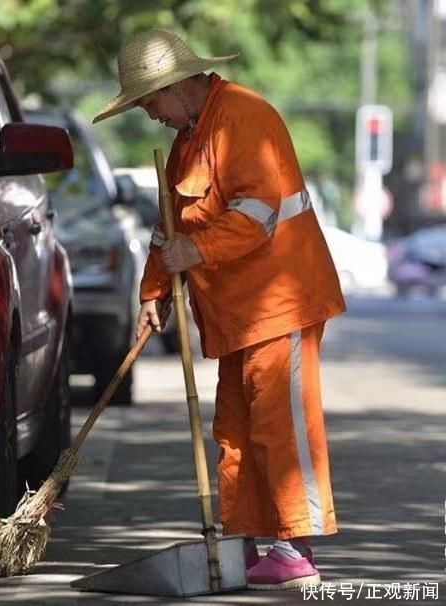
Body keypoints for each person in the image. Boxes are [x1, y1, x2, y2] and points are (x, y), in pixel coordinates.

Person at [92, 28, 346, 590]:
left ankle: (294, 540)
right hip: (235, 312)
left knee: (279, 424)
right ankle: (248, 538)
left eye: (149, 100)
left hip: (281, 299)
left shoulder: (242, 117)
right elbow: (170, 228)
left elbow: (258, 211)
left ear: (179, 86)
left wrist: (198, 249)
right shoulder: (187, 138)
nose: (148, 114)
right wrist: (153, 292)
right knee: (235, 428)